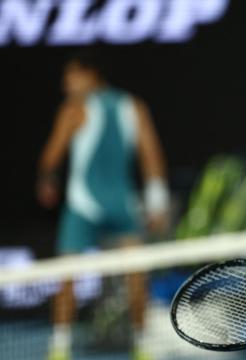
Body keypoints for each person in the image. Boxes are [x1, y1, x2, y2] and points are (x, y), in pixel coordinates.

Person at [37, 52, 169, 360]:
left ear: (91, 75)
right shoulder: (132, 106)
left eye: (71, 77)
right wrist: (156, 201)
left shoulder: (77, 110)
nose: (65, 84)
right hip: (105, 205)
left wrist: (46, 178)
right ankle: (68, 345)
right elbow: (151, 156)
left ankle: (64, 348)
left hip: (91, 206)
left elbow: (51, 155)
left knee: (129, 276)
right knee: (84, 276)